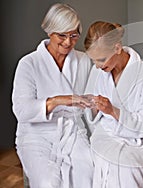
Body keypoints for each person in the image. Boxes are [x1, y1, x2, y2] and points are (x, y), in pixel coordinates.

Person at [11, 3, 94, 188]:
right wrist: (58, 100)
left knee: (87, 174)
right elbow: (22, 111)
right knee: (48, 182)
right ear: (50, 32)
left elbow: (93, 95)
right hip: (36, 135)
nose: (68, 42)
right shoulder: (29, 63)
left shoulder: (83, 61)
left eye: (74, 36)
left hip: (72, 132)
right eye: (62, 35)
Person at [83, 21, 143, 188]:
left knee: (125, 168)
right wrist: (91, 105)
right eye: (93, 61)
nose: (97, 66)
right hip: (105, 137)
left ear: (117, 48)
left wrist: (113, 111)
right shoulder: (98, 71)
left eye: (101, 59)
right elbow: (92, 116)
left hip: (134, 143)